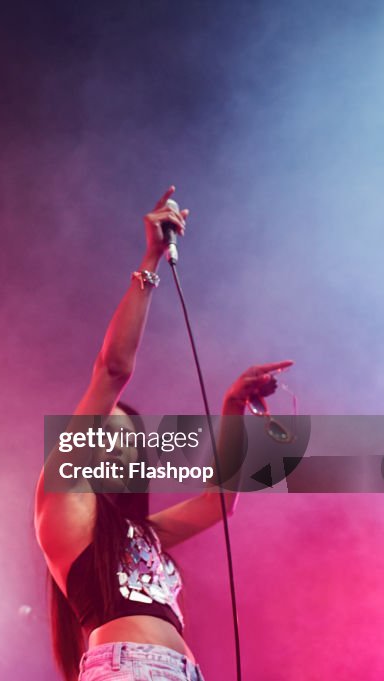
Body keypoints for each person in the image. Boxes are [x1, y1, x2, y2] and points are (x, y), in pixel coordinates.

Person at [34, 187, 292, 681]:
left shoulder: (141, 533)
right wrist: (151, 260)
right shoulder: (62, 503)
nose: (114, 439)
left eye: (127, 435)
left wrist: (231, 408)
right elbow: (112, 371)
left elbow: (222, 502)